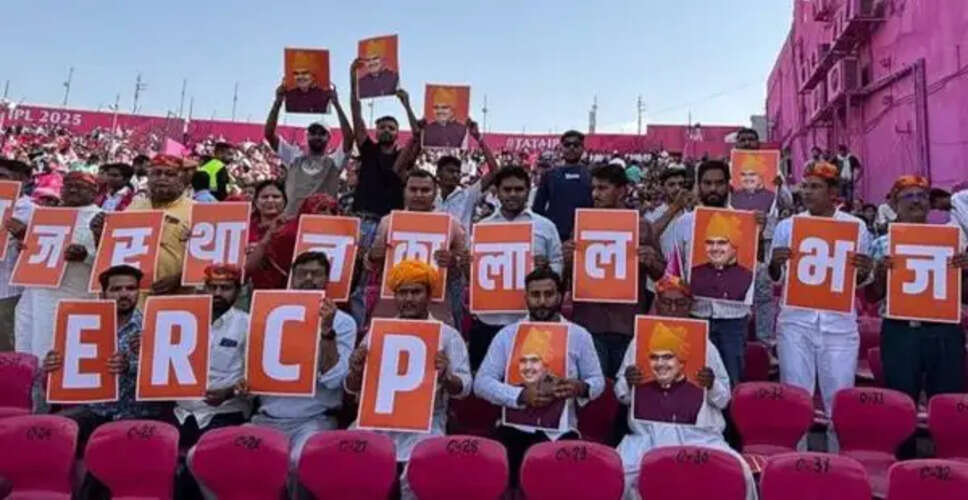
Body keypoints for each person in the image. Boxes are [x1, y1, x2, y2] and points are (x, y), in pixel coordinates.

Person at [615, 275, 754, 500]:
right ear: (657, 304)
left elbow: (724, 399)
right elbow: (622, 395)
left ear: (689, 306)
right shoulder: (639, 342)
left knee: (740, 473)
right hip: (649, 435)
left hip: (699, 435)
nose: (673, 309)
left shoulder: (705, 345)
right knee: (618, 474)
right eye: (666, 303)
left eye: (680, 303)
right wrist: (628, 382)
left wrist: (711, 384)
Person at [344, 260, 471, 500]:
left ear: (429, 296)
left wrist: (446, 377)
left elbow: (464, 388)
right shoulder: (377, 332)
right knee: (349, 455)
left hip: (427, 422)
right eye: (403, 292)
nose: (409, 298)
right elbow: (351, 387)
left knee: (419, 473)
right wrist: (356, 371)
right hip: (377, 421)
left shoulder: (447, 335)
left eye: (416, 292)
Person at [769, 161, 873, 451]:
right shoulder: (787, 227)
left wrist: (865, 270)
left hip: (839, 326)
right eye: (805, 186)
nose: (807, 192)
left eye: (815, 187)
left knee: (838, 399)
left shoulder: (855, 227)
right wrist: (775, 263)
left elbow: (860, 280)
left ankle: (837, 459)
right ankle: (796, 458)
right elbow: (774, 276)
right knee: (795, 396)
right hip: (795, 324)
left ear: (832, 192)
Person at [42, 265, 169, 498]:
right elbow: (67, 370)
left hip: (138, 413)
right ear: (103, 294)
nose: (124, 294)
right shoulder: (83, 324)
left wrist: (133, 366)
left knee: (102, 453)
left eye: (130, 288)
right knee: (48, 430)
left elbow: (170, 377)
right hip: (97, 409)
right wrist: (53, 366)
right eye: (116, 289)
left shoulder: (155, 325)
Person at [474, 267, 604, 486]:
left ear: (560, 296)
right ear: (526, 297)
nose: (542, 301)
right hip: (514, 429)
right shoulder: (507, 335)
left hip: (561, 431)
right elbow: (481, 383)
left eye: (549, 294)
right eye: (535, 295)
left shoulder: (579, 335)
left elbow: (597, 381)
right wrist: (520, 396)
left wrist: (580, 387)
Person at [234, 252, 356, 482]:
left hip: (313, 421)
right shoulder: (265, 315)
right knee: (210, 457)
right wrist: (245, 387)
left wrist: (327, 332)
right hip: (265, 419)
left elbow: (334, 380)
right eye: (302, 274)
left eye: (316, 274)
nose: (309, 279)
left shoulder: (343, 322)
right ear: (292, 278)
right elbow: (251, 376)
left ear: (326, 280)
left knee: (298, 462)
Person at [868, 176, 967, 406]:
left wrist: (966, 272)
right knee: (900, 403)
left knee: (946, 403)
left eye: (921, 196)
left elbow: (964, 296)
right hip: (900, 332)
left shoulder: (953, 241)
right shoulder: (882, 244)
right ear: (894, 205)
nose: (916, 201)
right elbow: (873, 296)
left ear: (929, 203)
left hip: (944, 332)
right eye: (908, 196)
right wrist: (881, 274)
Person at [565, 163, 666, 378]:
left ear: (621, 191)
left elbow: (660, 274)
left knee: (625, 387)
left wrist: (650, 260)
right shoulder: (582, 224)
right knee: (595, 388)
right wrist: (566, 257)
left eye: (602, 188)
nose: (595, 194)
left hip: (627, 324)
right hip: (589, 322)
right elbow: (567, 277)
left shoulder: (641, 226)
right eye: (594, 188)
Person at [662, 160, 757, 387]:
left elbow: (754, 267)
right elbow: (675, 268)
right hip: (696, 313)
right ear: (698, 185)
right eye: (707, 183)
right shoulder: (684, 223)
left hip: (733, 318)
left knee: (730, 382)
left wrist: (758, 233)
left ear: (729, 185)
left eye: (719, 183)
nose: (713, 188)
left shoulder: (747, 221)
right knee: (694, 381)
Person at [469, 166, 564, 370]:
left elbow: (558, 263)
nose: (513, 194)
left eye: (519, 189)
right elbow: (472, 271)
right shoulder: (483, 227)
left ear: (528, 191)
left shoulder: (545, 226)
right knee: (486, 378)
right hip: (489, 319)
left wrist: (547, 270)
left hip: (529, 318)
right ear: (497, 191)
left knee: (527, 377)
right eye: (507, 189)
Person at [15, 172, 101, 363]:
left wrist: (86, 257)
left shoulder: (101, 218)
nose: (73, 190)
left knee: (57, 354)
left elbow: (110, 262)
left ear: (94, 191)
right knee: (29, 353)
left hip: (72, 297)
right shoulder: (46, 215)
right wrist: (25, 246)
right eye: (69, 186)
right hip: (34, 295)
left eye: (80, 186)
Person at [367, 169, 468, 327]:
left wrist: (454, 261)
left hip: (436, 305)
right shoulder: (388, 222)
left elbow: (466, 264)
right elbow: (372, 263)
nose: (419, 195)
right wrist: (373, 256)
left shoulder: (451, 224)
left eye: (425, 190)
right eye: (413, 189)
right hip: (393, 302)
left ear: (435, 193)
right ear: (405, 191)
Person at [97, 154, 193, 300]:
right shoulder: (134, 206)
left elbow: (207, 261)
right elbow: (114, 249)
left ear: (182, 179)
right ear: (149, 178)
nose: (162, 178)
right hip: (131, 300)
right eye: (156, 173)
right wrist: (99, 233)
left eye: (170, 174)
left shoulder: (196, 210)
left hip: (175, 299)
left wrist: (180, 279)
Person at [176, 265, 250, 449]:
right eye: (212, 287)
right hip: (181, 412)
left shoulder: (248, 324)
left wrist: (229, 393)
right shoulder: (180, 321)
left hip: (226, 411)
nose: (217, 293)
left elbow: (258, 376)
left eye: (225, 288)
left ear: (238, 291)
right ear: (204, 288)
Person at [265, 81, 353, 215]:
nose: (317, 136)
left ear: (329, 138)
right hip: (292, 220)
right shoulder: (294, 158)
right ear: (307, 136)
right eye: (313, 133)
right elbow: (269, 134)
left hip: (322, 222)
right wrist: (278, 102)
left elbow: (349, 138)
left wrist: (337, 105)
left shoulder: (335, 161)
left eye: (322, 133)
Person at [435, 119, 499, 236]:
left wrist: (479, 138)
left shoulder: (468, 195)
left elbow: (494, 171)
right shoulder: (431, 198)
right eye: (450, 171)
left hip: (461, 248)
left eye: (457, 172)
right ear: (438, 173)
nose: (455, 175)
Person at [532, 130, 593, 240]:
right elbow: (538, 208)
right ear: (561, 148)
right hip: (555, 235)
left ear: (583, 148)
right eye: (567, 145)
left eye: (576, 145)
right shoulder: (549, 175)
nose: (571, 148)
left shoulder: (591, 175)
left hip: (586, 233)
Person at [0, 158, 34, 351]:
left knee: (7, 350)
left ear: (19, 179)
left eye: (2, 176)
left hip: (9, 292)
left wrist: (24, 235)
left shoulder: (33, 211)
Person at [689, 212, 754, 303]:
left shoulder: (748, 278)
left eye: (722, 242)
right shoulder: (693, 274)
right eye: (710, 242)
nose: (714, 248)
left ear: (735, 245)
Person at [244, 180, 289, 289]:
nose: (270, 200)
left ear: (284, 202)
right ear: (256, 202)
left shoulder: (293, 228)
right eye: (265, 197)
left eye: (276, 197)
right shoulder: (245, 228)